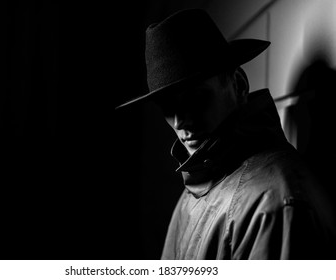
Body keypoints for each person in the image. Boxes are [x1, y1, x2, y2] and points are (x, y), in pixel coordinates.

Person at [116, 9, 336, 259]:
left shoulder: (275, 203)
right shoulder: (197, 187)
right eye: (168, 106)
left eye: (195, 98)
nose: (180, 121)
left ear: (239, 84)